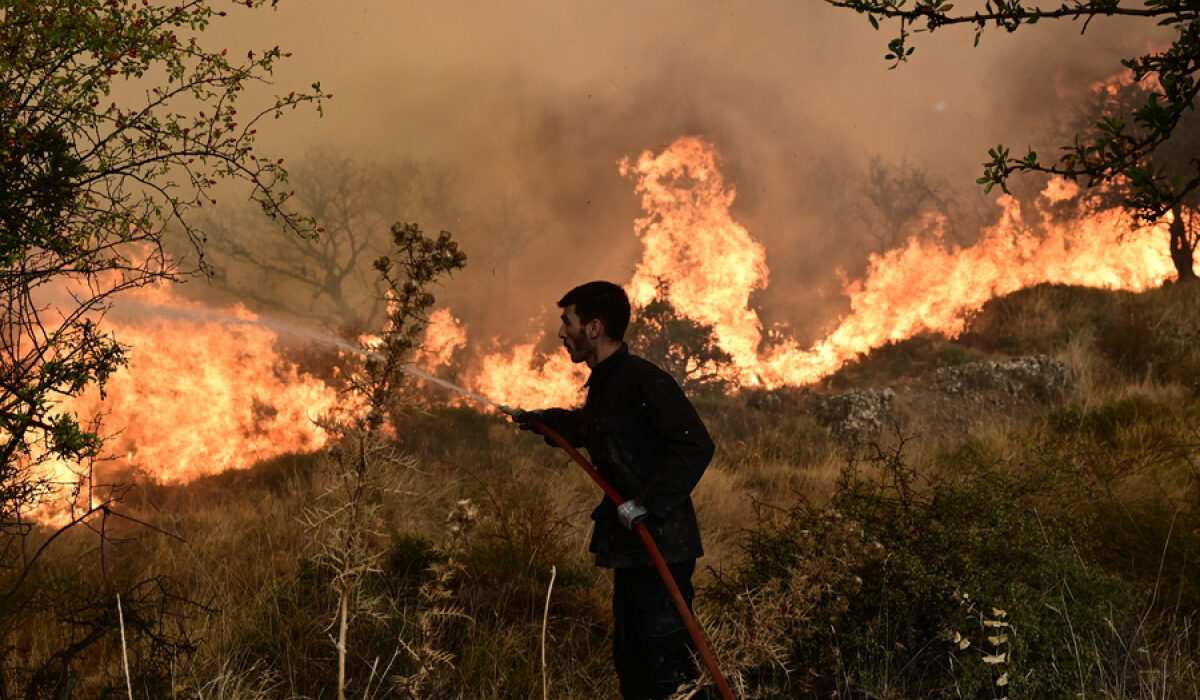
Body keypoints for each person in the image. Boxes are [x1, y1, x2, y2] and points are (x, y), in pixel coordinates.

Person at [510, 280, 715, 700]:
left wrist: (648, 504)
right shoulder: (607, 382)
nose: (560, 332)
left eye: (567, 321)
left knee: (669, 670)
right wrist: (541, 420)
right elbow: (590, 428)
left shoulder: (642, 380)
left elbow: (695, 444)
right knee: (633, 664)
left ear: (593, 328)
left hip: (660, 546)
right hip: (634, 547)